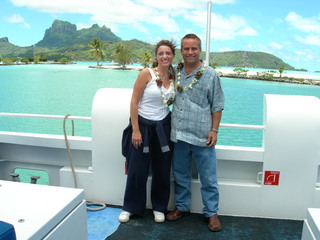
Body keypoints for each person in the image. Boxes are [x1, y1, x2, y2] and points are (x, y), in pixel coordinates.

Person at [166, 33, 224, 232]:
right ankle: (182, 207)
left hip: (202, 136)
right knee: (180, 174)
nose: (190, 52)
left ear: (200, 50)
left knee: (208, 178)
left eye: (193, 49)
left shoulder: (210, 74)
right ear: (180, 51)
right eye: (186, 49)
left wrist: (214, 130)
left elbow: (217, 105)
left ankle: (212, 213)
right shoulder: (176, 71)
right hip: (179, 134)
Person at [119, 40, 176, 223]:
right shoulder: (147, 73)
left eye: (168, 53)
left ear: (173, 56)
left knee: (162, 169)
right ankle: (130, 207)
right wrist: (135, 130)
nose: (164, 56)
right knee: (137, 169)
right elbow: (134, 102)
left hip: (164, 127)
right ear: (156, 56)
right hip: (143, 126)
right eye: (161, 53)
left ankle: (159, 207)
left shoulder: (175, 75)